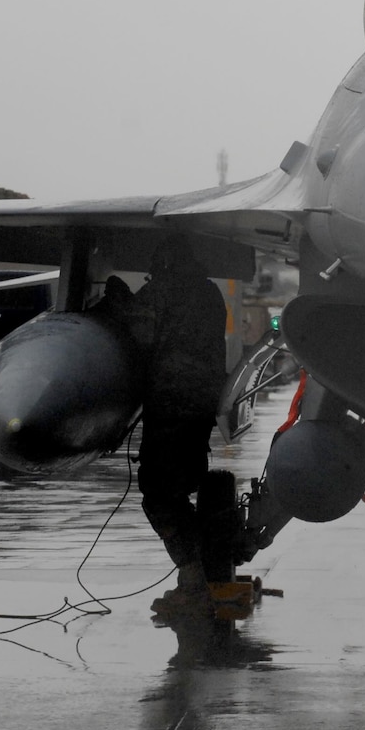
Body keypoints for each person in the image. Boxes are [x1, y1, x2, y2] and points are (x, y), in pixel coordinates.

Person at [125, 234, 229, 613]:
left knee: (160, 494)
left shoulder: (161, 293)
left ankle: (193, 580)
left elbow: (137, 337)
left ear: (163, 265)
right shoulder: (211, 294)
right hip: (203, 404)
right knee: (182, 485)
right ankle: (203, 574)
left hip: (171, 403)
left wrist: (121, 304)